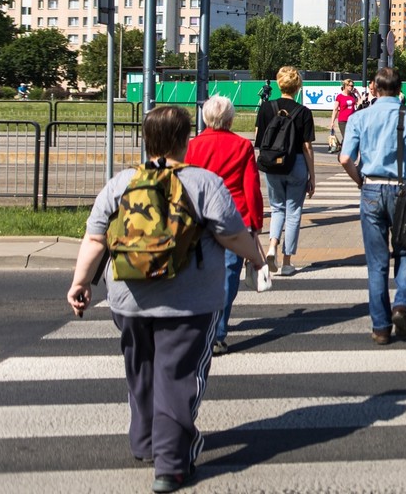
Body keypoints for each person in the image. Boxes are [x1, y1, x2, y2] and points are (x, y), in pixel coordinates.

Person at [66, 106, 267, 493]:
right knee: (178, 377)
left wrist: (80, 283)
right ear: (184, 140)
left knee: (140, 369)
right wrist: (257, 258)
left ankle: (145, 443)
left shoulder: (122, 183)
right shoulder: (204, 183)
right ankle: (172, 465)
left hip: (127, 298)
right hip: (189, 302)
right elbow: (231, 235)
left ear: (146, 140)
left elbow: (95, 239)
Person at [338, 67, 406, 345]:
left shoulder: (358, 117)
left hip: (371, 188)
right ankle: (402, 304)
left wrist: (360, 182)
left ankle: (380, 327)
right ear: (400, 88)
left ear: (375, 90)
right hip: (404, 189)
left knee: (376, 263)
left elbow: (344, 158)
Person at [185, 96, 265, 356]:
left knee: (198, 272)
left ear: (206, 118)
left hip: (199, 217)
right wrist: (255, 224)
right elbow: (251, 187)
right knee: (229, 276)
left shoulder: (193, 146)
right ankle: (218, 333)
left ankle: (199, 325)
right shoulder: (242, 146)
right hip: (234, 217)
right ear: (230, 119)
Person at [254, 66, 315, 276]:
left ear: (279, 83)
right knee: (293, 212)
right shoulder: (304, 112)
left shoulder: (265, 108)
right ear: (298, 86)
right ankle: (287, 262)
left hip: (273, 164)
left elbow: (259, 139)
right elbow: (307, 146)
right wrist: (312, 176)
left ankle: (272, 247)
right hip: (296, 163)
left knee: (277, 208)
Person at [329, 78, 359, 149]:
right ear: (345, 86)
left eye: (352, 86)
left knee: (352, 136)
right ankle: (345, 151)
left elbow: (359, 102)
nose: (351, 87)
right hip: (343, 120)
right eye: (350, 85)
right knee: (347, 137)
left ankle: (343, 147)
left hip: (352, 120)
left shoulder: (352, 95)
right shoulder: (340, 96)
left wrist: (357, 93)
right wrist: (332, 122)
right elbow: (335, 109)